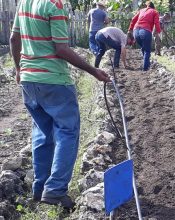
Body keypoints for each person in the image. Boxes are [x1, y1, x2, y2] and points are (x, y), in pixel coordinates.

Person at [9, 0, 110, 209]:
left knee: (42, 133)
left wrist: (19, 70)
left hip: (29, 79)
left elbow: (13, 38)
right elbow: (61, 49)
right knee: (67, 132)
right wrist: (94, 71)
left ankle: (40, 188)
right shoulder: (54, 5)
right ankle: (55, 190)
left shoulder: (25, 3)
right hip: (54, 80)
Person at [127, 1, 161, 71]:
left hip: (136, 31)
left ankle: (147, 64)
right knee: (147, 50)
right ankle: (145, 68)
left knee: (143, 48)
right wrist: (158, 31)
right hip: (145, 31)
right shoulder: (155, 12)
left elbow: (133, 20)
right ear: (153, 7)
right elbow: (156, 23)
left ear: (147, 6)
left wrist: (130, 29)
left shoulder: (141, 10)